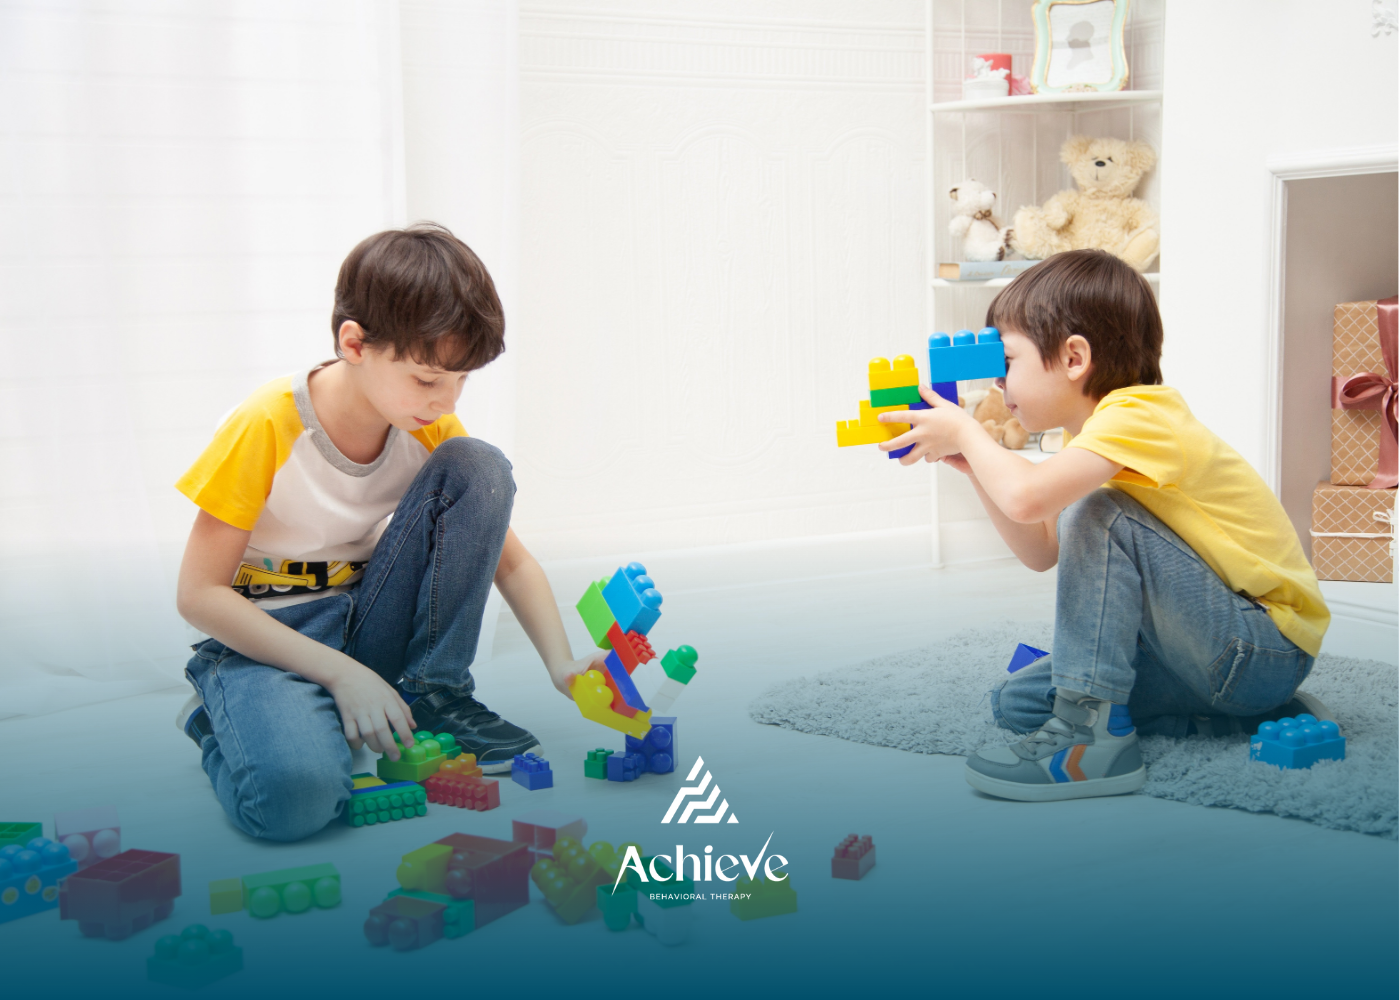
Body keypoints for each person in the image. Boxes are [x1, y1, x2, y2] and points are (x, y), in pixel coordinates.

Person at [172, 223, 602, 840]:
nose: (445, 400)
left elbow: (512, 561)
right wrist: (341, 675)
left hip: (370, 614)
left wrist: (561, 665)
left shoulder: (428, 423)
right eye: (428, 379)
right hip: (268, 635)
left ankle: (434, 692)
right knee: (296, 803)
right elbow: (198, 595)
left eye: (461, 380)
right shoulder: (264, 424)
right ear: (354, 343)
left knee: (479, 465)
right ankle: (217, 720)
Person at [880, 249, 1329, 802]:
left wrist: (971, 435)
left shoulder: (1141, 416)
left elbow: (1026, 499)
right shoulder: (1094, 440)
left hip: (1261, 647)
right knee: (1017, 702)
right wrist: (974, 465)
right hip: (1201, 655)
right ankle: (1213, 719)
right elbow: (1042, 548)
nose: (998, 385)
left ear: (1073, 358)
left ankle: (1091, 746)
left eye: (1009, 361)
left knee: (1100, 512)